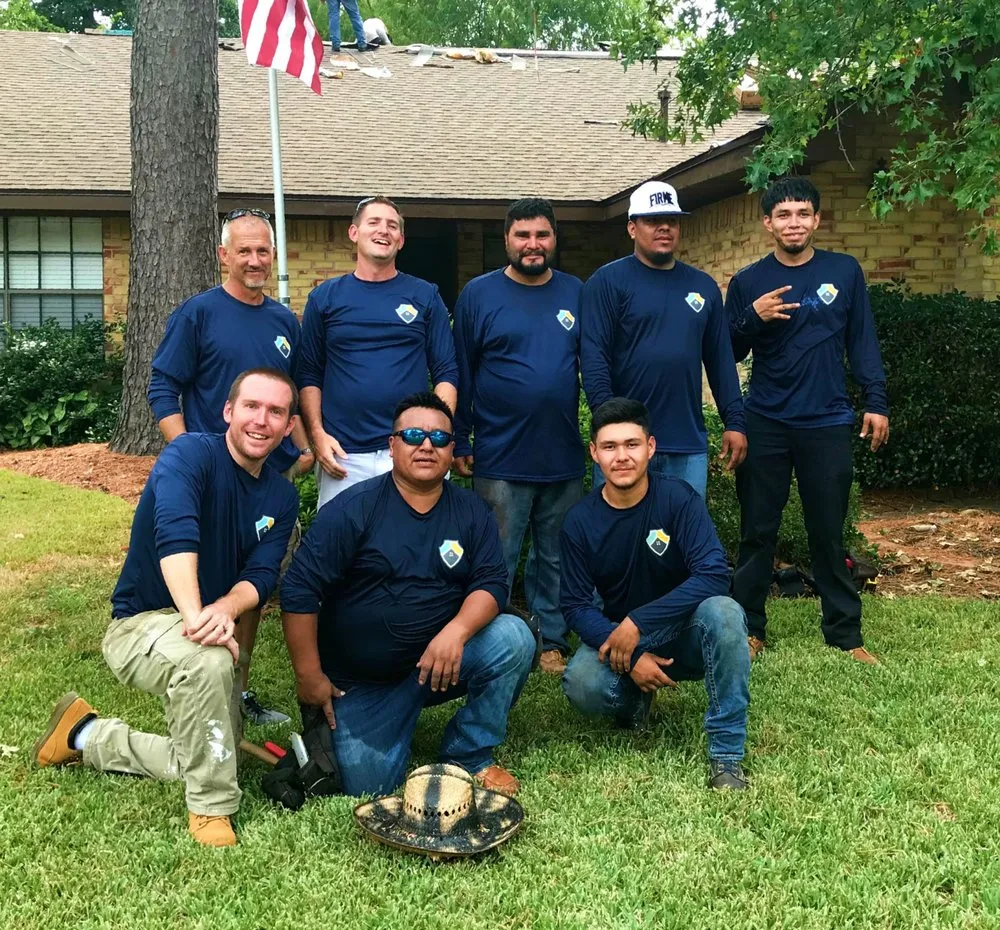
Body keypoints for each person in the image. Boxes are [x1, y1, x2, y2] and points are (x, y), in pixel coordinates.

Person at [33, 369, 301, 847]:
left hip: (202, 618)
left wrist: (224, 607)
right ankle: (211, 809)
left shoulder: (280, 495)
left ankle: (84, 735)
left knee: (208, 752)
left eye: (276, 412)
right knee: (211, 660)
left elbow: (261, 577)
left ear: (288, 425)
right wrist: (199, 616)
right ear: (229, 412)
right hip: (141, 625)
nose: (262, 420)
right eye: (252, 407)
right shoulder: (190, 455)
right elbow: (174, 536)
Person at [280, 392, 535, 798]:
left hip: (439, 661)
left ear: (453, 450)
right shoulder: (353, 509)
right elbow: (299, 589)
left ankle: (469, 752)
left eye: (439, 437)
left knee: (514, 638)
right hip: (362, 682)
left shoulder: (471, 511)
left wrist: (456, 632)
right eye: (414, 434)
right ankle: (381, 720)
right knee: (366, 782)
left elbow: (491, 584)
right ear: (392, 444)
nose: (427, 444)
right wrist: (308, 676)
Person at [148, 208, 312, 725]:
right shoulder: (198, 313)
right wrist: (186, 453)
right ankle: (195, 680)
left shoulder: (286, 321)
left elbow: (293, 396)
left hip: (271, 477)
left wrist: (303, 448)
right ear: (224, 256)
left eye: (263, 250)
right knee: (203, 580)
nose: (255, 259)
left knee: (251, 587)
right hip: (210, 476)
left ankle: (236, 694)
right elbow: (162, 388)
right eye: (244, 250)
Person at [725, 176, 889, 664]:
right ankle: (749, 628)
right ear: (767, 224)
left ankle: (845, 635)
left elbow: (862, 341)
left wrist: (875, 400)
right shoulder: (748, 281)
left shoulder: (844, 271)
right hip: (766, 420)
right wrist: (751, 317)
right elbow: (727, 352)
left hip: (827, 420)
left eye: (802, 214)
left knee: (828, 530)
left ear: (817, 219)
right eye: (783, 215)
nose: (793, 223)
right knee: (757, 530)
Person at [560, 398, 750, 790]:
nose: (622, 456)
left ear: (650, 447)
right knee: (581, 682)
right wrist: (630, 657)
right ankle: (635, 700)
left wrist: (638, 622)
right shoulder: (579, 522)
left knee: (725, 612)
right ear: (594, 454)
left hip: (685, 631)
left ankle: (727, 756)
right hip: (623, 639)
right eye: (610, 447)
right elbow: (576, 606)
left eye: (632, 444)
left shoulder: (678, 499)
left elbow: (714, 573)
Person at [453, 197, 585, 676]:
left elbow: (592, 367)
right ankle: (497, 640)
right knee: (496, 558)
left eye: (542, 235)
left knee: (555, 556)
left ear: (554, 239)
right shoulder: (479, 295)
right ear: (506, 240)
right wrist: (461, 439)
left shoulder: (576, 292)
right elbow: (461, 371)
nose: (533, 245)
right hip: (499, 455)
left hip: (563, 452)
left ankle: (551, 639)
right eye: (523, 235)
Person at [580, 180, 747, 499]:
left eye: (671, 220)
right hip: (625, 446)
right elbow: (594, 360)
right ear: (632, 228)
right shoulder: (607, 282)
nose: (664, 228)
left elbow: (720, 361)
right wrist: (613, 432)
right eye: (653, 221)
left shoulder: (703, 286)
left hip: (686, 445)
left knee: (684, 542)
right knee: (618, 540)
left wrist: (734, 421)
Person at [297, 196, 458, 509]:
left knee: (417, 548)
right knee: (342, 552)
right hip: (343, 455)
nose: (383, 230)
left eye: (392, 225)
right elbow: (309, 374)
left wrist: (435, 435)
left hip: (411, 447)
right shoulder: (325, 298)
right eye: (374, 222)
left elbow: (446, 371)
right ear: (354, 233)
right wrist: (317, 435)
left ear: (401, 239)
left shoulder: (425, 295)